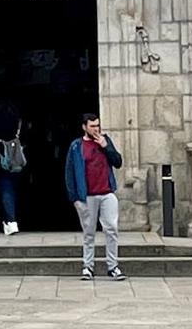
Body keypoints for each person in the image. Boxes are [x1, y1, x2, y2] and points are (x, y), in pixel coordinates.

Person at [64, 112, 125, 281]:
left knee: (111, 229)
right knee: (89, 232)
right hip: (87, 196)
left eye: (97, 125)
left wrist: (107, 146)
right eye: (92, 126)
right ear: (84, 127)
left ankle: (113, 266)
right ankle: (87, 266)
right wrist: (74, 198)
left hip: (107, 192)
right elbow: (69, 172)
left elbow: (118, 162)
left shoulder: (105, 141)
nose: (95, 129)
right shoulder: (76, 146)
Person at [0, 100, 22, 235]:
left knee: (6, 188)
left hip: (0, 157)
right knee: (12, 188)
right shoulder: (16, 121)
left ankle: (11, 220)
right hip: (16, 157)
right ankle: (11, 219)